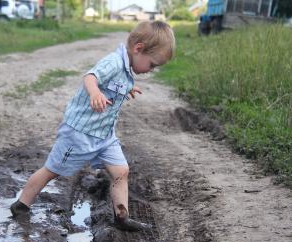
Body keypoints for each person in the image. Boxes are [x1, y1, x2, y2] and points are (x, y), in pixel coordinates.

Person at [11, 21, 175, 231]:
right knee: (53, 169)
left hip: (104, 136)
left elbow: (118, 82)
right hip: (79, 133)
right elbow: (90, 77)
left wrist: (129, 87)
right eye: (152, 64)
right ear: (138, 49)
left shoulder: (126, 70)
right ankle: (21, 205)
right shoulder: (114, 62)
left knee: (121, 171)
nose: (151, 70)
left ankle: (121, 217)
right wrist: (95, 93)